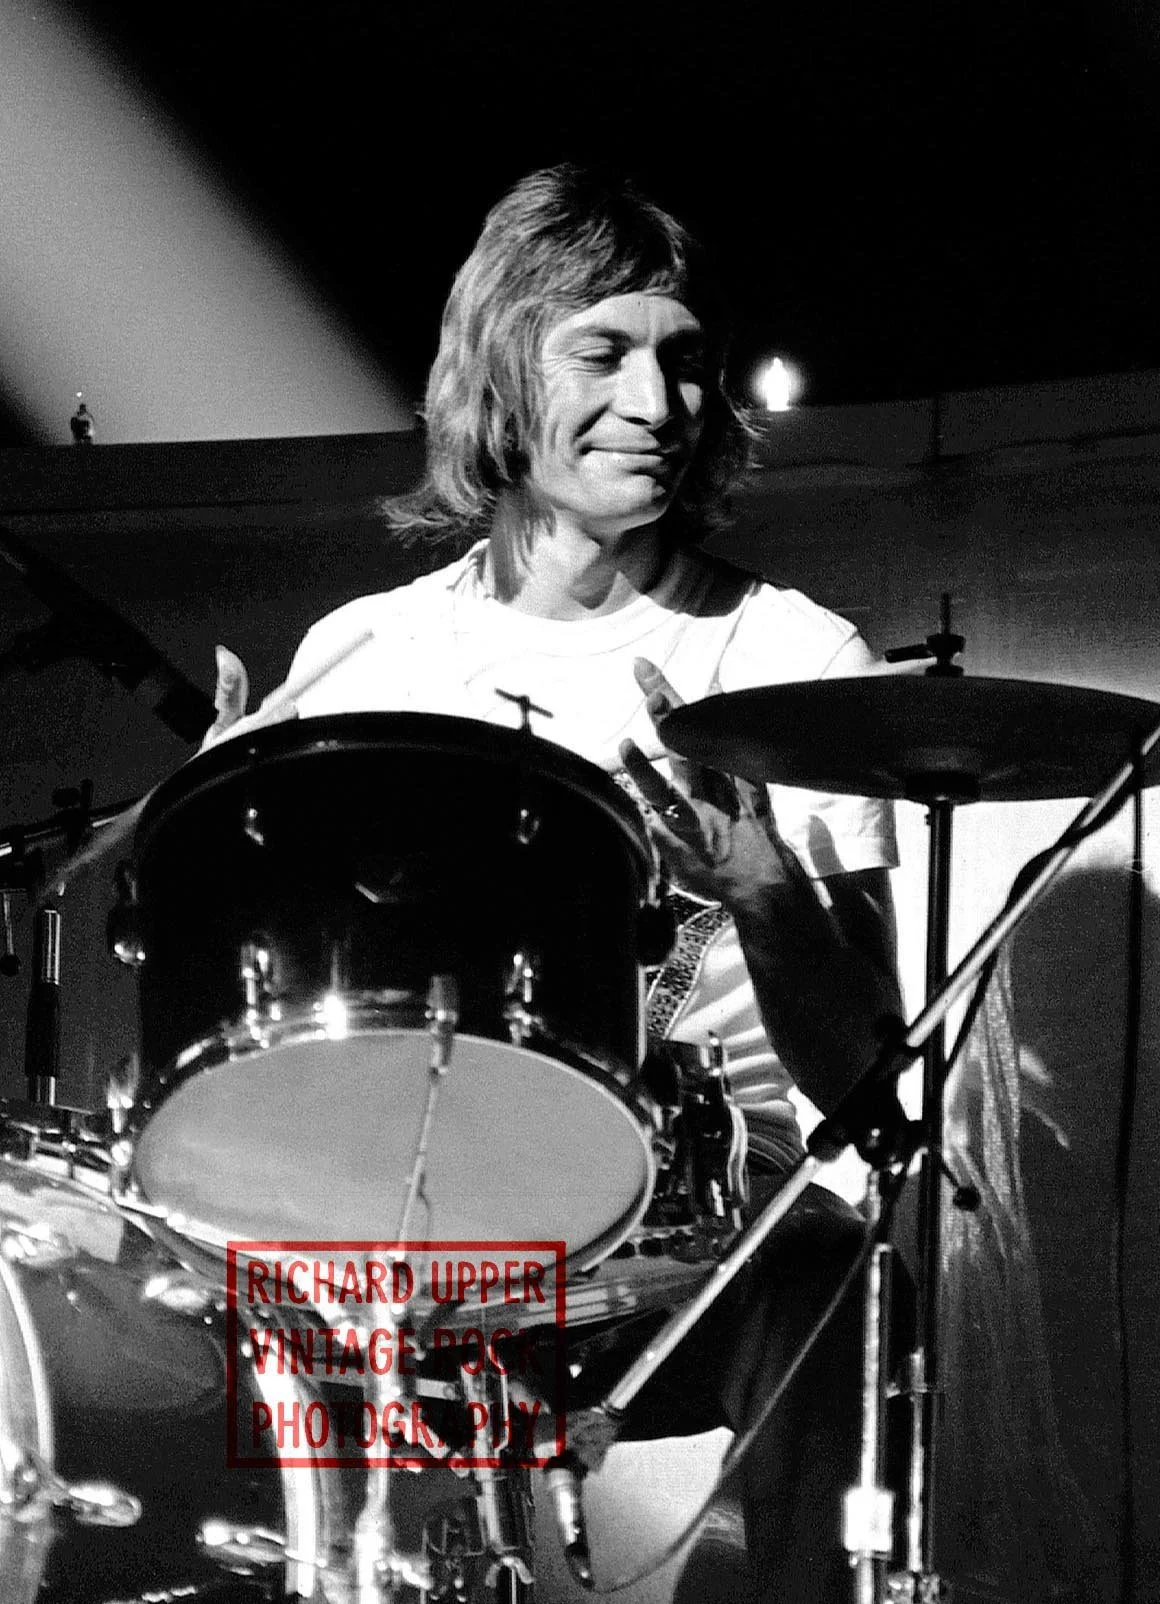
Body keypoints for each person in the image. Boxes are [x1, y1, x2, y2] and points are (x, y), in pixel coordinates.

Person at [208, 164, 904, 1601]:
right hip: (416, 1228)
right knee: (193, 1292)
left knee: (836, 1274)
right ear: (502, 374)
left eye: (685, 361)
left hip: (704, 1234)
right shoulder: (365, 659)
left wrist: (766, 890)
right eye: (604, 354)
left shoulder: (793, 662)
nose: (658, 403)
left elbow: (870, 1093)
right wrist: (221, 844)